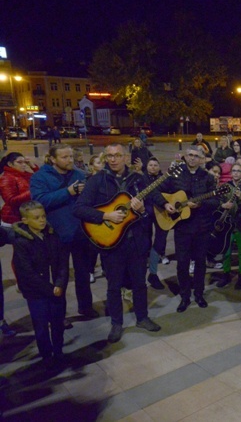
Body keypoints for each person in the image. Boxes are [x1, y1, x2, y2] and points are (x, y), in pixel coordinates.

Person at [74, 143, 162, 343]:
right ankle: (116, 323)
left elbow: (149, 211)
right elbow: (79, 209)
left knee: (140, 284)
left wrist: (140, 211)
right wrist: (105, 215)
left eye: (117, 155)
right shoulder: (97, 181)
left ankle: (142, 317)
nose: (113, 159)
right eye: (110, 156)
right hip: (111, 244)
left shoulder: (139, 180)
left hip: (137, 243)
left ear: (125, 158)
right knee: (113, 286)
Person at [30, 144, 99, 318]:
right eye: (65, 157)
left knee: (83, 274)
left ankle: (85, 307)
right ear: (53, 159)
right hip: (56, 234)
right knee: (59, 278)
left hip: (80, 232)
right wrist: (68, 192)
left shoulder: (78, 174)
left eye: (71, 157)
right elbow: (39, 201)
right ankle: (59, 315)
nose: (70, 160)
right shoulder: (40, 177)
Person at [158, 146, 219, 312]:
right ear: (185, 157)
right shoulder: (175, 174)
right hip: (182, 227)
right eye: (190, 155)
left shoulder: (208, 177)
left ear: (201, 159)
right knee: (182, 264)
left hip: (202, 227)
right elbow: (155, 191)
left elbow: (216, 201)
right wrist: (165, 204)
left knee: (200, 263)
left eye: (196, 156)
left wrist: (201, 203)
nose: (192, 158)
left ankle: (199, 294)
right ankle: (185, 296)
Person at [13, 201, 68, 364]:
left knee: (58, 324)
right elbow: (27, 273)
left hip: (57, 289)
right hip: (37, 294)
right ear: (25, 221)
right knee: (42, 327)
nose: (42, 220)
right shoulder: (22, 242)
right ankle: (47, 356)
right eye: (36, 218)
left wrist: (60, 283)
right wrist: (51, 289)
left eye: (43, 216)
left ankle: (58, 351)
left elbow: (63, 262)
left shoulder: (52, 234)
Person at [211, 163, 241, 289]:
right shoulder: (226, 186)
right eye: (234, 171)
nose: (236, 173)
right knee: (226, 252)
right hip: (226, 223)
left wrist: (240, 199)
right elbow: (217, 202)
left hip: (240, 223)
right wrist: (223, 205)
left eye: (239, 171)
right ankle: (226, 275)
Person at [142, 157, 168, 290]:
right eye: (150, 165)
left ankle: (153, 274)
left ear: (159, 167)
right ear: (146, 167)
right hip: (146, 215)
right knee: (144, 243)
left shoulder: (165, 178)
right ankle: (141, 277)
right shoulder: (141, 179)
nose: (152, 167)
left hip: (161, 213)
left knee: (159, 243)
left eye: (155, 165)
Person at [0, 152, 39, 226]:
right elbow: (11, 200)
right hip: (13, 218)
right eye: (20, 162)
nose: (24, 165)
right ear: (10, 164)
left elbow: (40, 179)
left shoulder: (24, 175)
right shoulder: (6, 178)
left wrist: (33, 166)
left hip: (26, 215)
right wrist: (32, 192)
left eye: (25, 162)